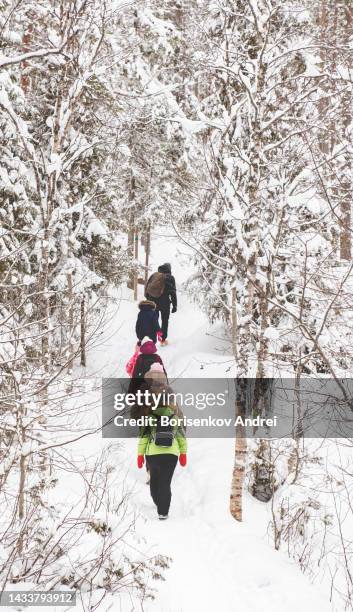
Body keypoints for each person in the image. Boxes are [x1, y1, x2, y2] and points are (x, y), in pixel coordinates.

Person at [137, 380, 187, 520]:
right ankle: (163, 512)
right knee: (165, 482)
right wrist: (183, 454)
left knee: (154, 482)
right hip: (171, 455)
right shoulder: (175, 417)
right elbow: (181, 437)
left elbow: (144, 438)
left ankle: (159, 503)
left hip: (153, 455)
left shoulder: (150, 417)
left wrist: (140, 455)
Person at [145, 263, 177, 345]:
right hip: (165, 303)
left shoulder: (154, 275)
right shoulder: (170, 278)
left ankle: (153, 338)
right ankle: (162, 340)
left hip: (153, 302)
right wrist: (174, 305)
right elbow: (173, 293)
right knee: (165, 321)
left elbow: (147, 288)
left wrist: (148, 300)